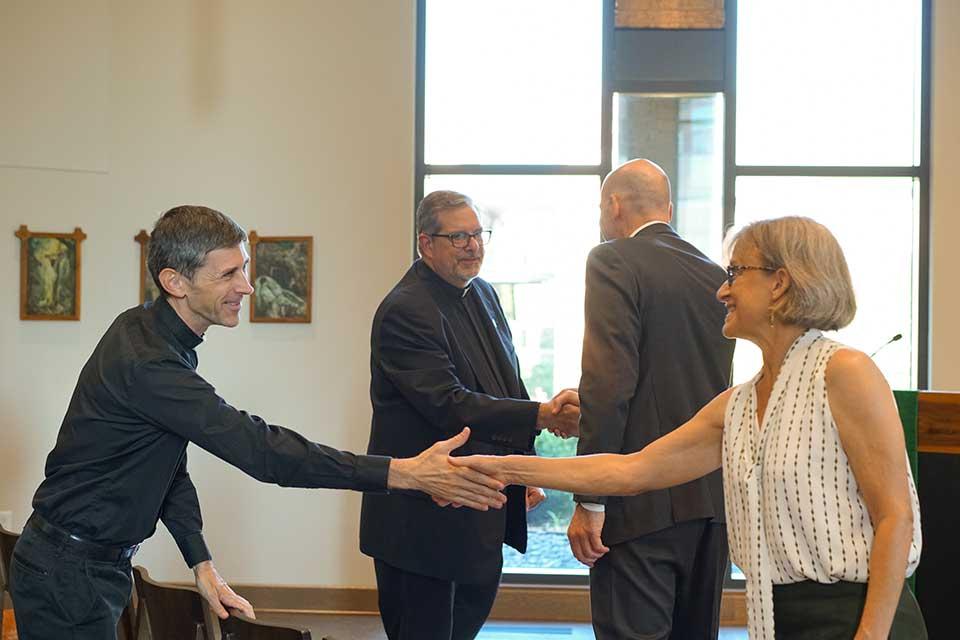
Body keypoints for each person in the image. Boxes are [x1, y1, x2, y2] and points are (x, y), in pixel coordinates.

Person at [8, 205, 506, 640]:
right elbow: (260, 450)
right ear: (174, 282)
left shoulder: (146, 331)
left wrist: (200, 562)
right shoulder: (149, 363)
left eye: (243, 269)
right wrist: (401, 473)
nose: (246, 286)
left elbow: (164, 462)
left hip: (85, 565)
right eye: (228, 275)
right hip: (70, 572)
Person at [454, 216, 926, 639]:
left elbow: (895, 516)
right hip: (778, 619)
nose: (722, 290)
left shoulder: (844, 371)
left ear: (780, 283)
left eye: (736, 273)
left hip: (859, 619)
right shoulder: (737, 405)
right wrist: (497, 467)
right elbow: (629, 472)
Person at [359, 190, 579, 640]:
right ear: (426, 243)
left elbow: (506, 382)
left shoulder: (482, 293)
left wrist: (525, 467)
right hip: (421, 522)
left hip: (479, 509)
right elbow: (448, 403)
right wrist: (542, 414)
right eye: (458, 236)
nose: (473, 246)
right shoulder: (405, 310)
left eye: (479, 234)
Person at [564, 159, 734, 639]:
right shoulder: (714, 274)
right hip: (709, 501)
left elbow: (610, 383)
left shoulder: (612, 259)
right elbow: (689, 377)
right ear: (669, 208)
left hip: (639, 502)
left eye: (602, 207)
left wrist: (591, 497)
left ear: (614, 205)